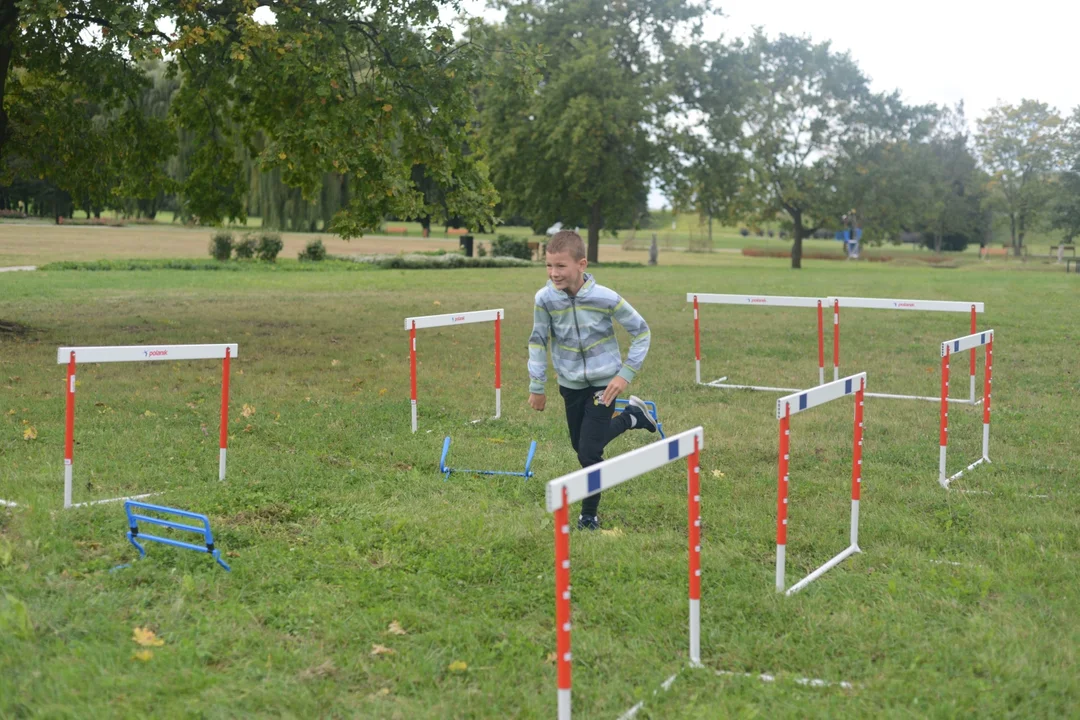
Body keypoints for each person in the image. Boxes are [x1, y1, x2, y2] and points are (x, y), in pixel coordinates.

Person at [528, 230, 655, 530]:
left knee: (588, 452)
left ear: (581, 264)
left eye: (561, 266)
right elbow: (537, 341)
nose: (553, 273)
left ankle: (588, 516)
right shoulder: (545, 299)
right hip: (570, 385)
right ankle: (632, 418)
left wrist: (624, 375)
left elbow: (642, 332)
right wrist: (537, 385)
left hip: (604, 384)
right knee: (580, 443)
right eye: (548, 266)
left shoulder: (605, 298)